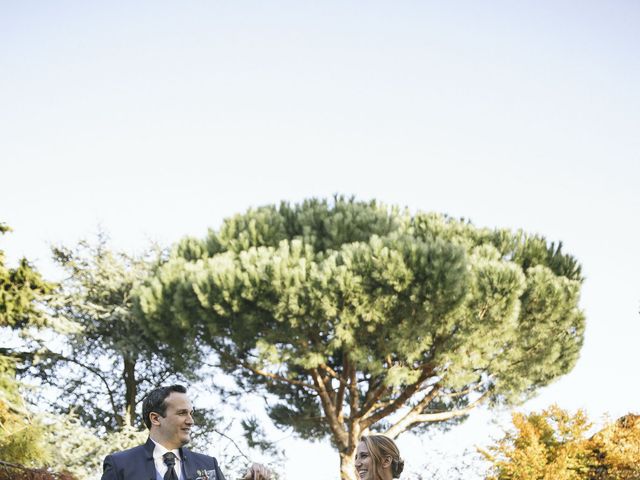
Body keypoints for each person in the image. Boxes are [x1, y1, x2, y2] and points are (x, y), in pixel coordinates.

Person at [101, 384, 270, 480]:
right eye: (182, 413)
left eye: (191, 413)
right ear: (155, 418)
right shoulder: (120, 465)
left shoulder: (208, 465)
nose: (190, 421)